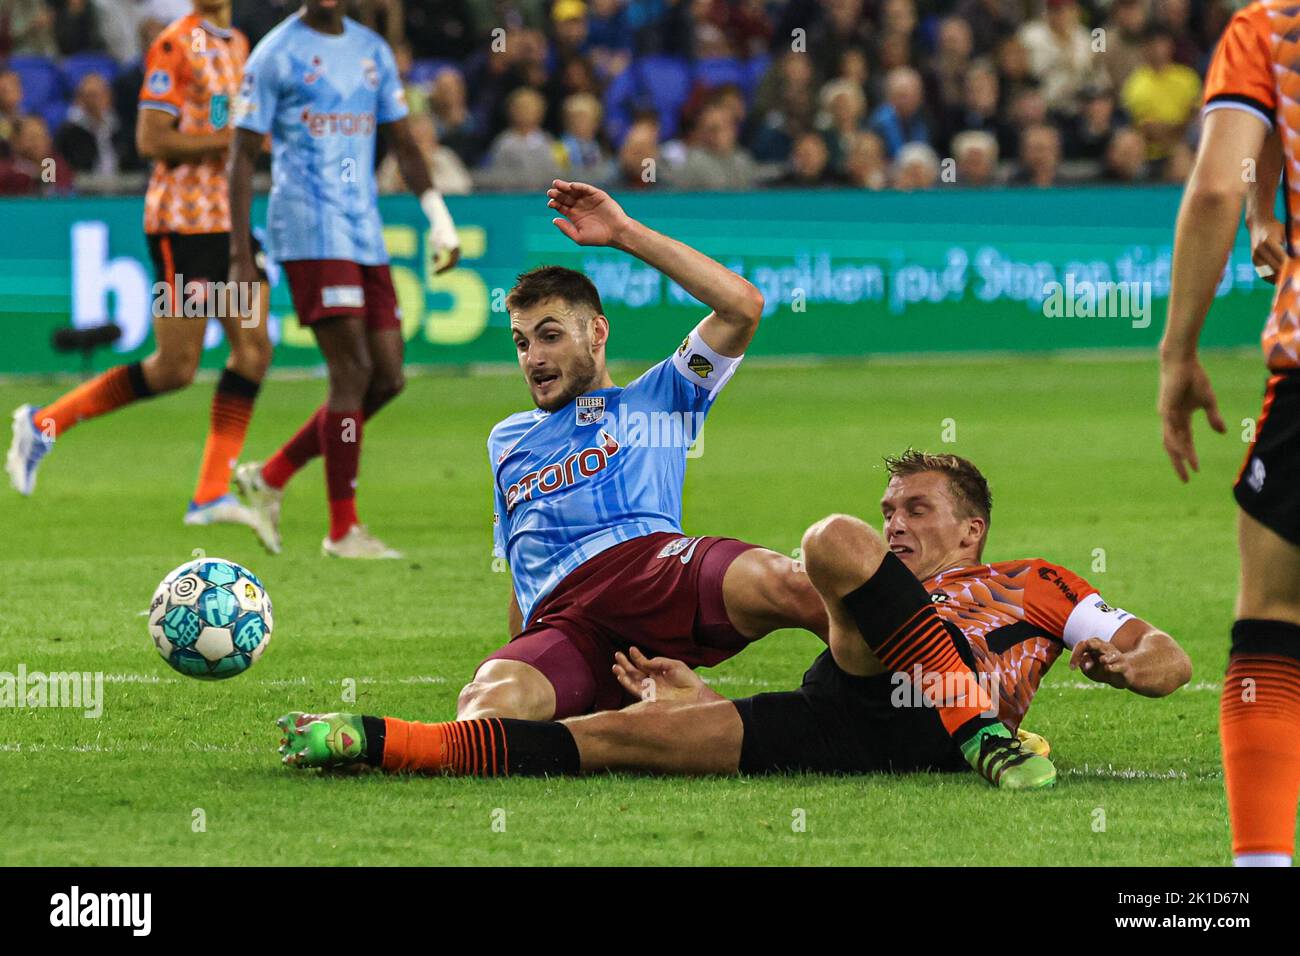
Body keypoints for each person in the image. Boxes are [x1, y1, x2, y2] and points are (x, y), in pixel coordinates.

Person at [279, 452, 1191, 791]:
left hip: (936, 709)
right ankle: (372, 738)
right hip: (853, 706)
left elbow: (1167, 655)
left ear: (972, 529)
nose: (896, 524)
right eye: (891, 510)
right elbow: (853, 575)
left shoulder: (1040, 583)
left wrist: (1130, 668)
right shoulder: (881, 575)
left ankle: (976, 733)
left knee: (826, 540)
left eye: (916, 510)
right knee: (613, 740)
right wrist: (703, 693)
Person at [6, 1, 273, 551]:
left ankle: (210, 493)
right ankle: (43, 424)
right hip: (184, 225)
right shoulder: (175, 44)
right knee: (175, 367)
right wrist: (234, 142)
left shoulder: (238, 43)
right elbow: (152, 140)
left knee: (253, 349)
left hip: (229, 223)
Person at [226, 0, 460, 559]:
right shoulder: (275, 55)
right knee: (351, 369)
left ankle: (273, 474)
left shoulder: (372, 51)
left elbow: (405, 144)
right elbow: (239, 156)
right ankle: (342, 530)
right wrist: (241, 250)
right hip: (308, 228)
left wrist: (440, 219)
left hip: (364, 229)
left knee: (389, 376)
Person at [1158, 0, 1300, 867]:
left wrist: (1179, 353)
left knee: (1272, 625)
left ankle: (1257, 881)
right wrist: (1266, 210)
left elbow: (1215, 180)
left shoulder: (1272, 26)